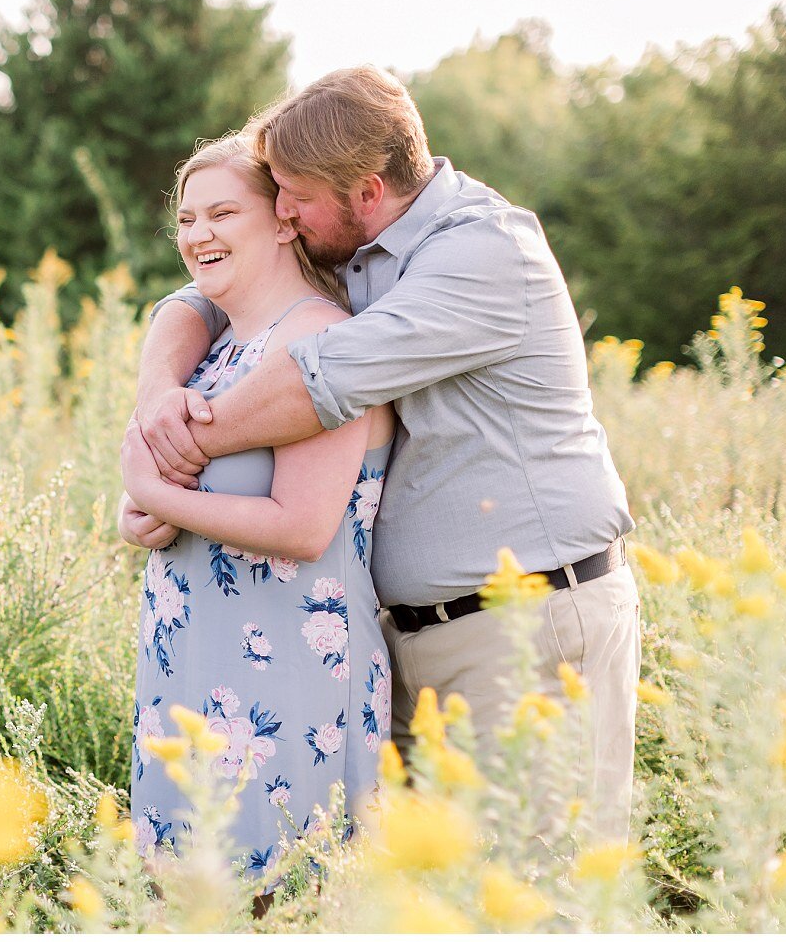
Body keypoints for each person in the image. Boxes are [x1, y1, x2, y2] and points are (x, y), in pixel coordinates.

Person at [126, 66, 641, 843]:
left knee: (540, 893)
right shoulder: (362, 249)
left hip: (526, 625)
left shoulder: (483, 252)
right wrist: (159, 384)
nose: (286, 214)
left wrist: (170, 457)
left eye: (294, 195)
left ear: (366, 190)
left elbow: (323, 379)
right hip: (416, 639)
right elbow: (195, 300)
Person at [118, 134, 396, 897]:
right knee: (190, 902)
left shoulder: (320, 339)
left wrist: (159, 494)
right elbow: (172, 481)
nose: (198, 233)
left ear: (281, 218)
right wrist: (136, 515)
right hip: (189, 669)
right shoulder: (209, 349)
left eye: (222, 212)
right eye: (186, 218)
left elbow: (304, 526)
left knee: (279, 898)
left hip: (290, 678)